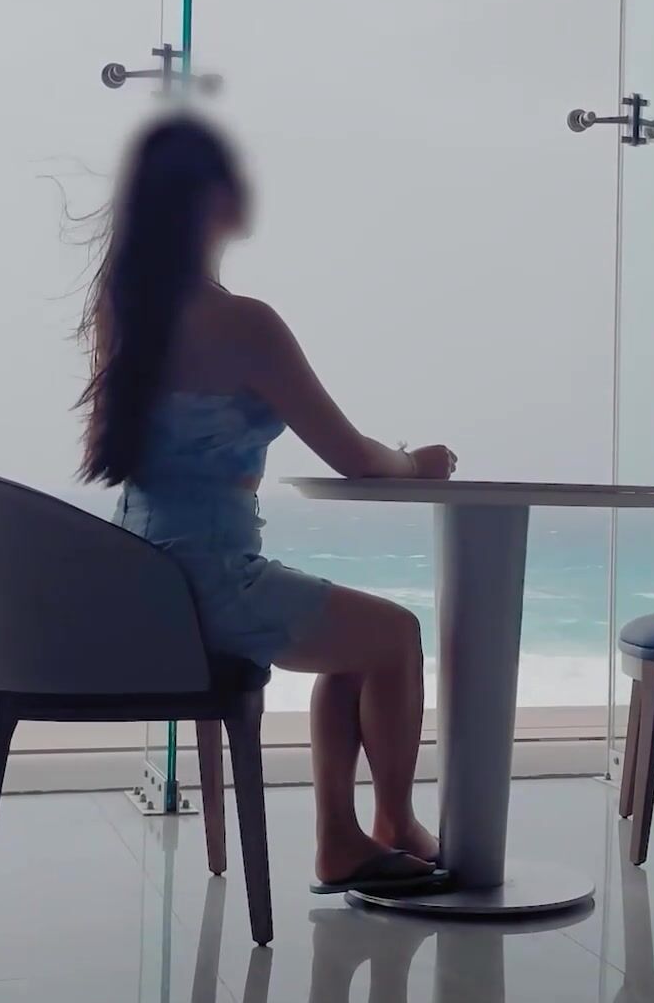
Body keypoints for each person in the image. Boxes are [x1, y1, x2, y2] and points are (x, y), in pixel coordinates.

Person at [76, 114, 455, 895]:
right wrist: (416, 462)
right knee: (397, 636)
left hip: (140, 578)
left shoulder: (125, 312)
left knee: (357, 642)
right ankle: (392, 824)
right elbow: (353, 457)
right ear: (209, 198)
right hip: (211, 580)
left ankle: (342, 839)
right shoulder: (243, 323)